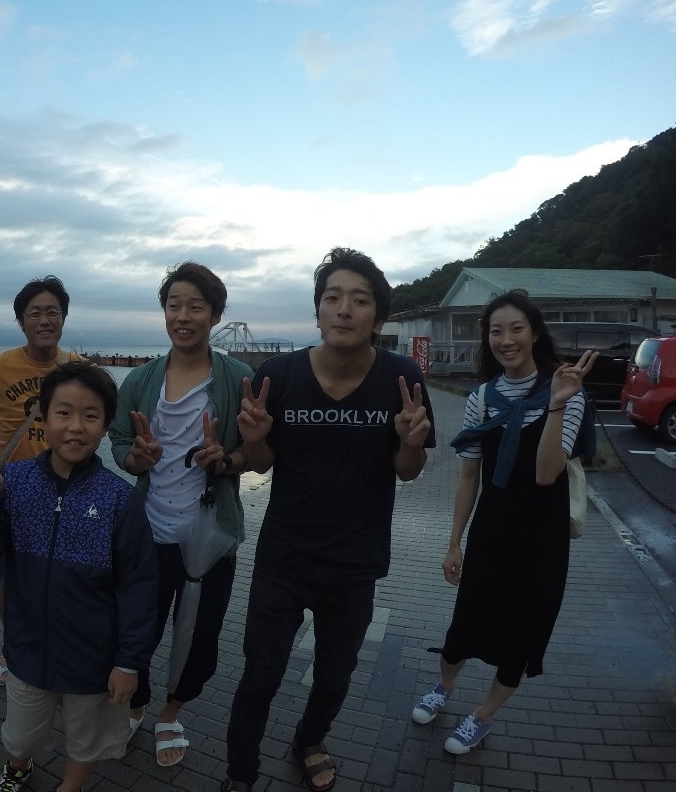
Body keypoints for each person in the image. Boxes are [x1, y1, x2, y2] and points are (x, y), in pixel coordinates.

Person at [221, 247, 435, 792]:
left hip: (355, 562)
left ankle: (310, 740)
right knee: (260, 675)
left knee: (336, 675)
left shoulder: (402, 378)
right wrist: (254, 440)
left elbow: (408, 471)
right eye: (332, 298)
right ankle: (240, 774)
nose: (344, 309)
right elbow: (262, 464)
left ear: (378, 319)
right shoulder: (279, 375)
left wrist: (412, 444)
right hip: (284, 558)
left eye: (359, 300)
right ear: (318, 312)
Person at [0, 361, 157, 792]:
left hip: (94, 661)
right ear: (43, 419)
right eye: (63, 413)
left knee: (87, 741)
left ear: (106, 426)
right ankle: (18, 766)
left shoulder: (119, 500)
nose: (76, 426)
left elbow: (140, 587)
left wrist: (129, 662)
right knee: (20, 734)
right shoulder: (13, 481)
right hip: (27, 652)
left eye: (91, 415)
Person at [410, 291, 594, 755]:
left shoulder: (567, 392)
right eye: (496, 331)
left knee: (522, 630)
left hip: (542, 537)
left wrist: (556, 405)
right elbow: (468, 476)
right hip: (492, 530)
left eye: (516, 329)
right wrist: (454, 542)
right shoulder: (481, 398)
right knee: (465, 621)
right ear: (487, 339)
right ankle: (443, 687)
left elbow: (547, 473)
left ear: (534, 334)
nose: (506, 340)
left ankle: (483, 715)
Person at [108, 262, 255, 768]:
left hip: (210, 537)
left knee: (199, 635)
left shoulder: (238, 378)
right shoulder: (141, 380)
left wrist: (227, 460)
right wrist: (135, 458)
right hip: (147, 532)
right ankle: (137, 706)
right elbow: (120, 441)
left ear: (215, 315)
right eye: (174, 306)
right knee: (135, 630)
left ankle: (172, 712)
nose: (183, 316)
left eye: (196, 306)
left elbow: (260, 453)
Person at [0, 276, 83, 688]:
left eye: (53, 312)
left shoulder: (77, 368)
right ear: (21, 321)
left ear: (64, 318)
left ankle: (56, 645)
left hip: (67, 494)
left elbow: (97, 418)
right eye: (35, 313)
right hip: (12, 496)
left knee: (65, 578)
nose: (44, 320)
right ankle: (13, 648)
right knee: (10, 581)